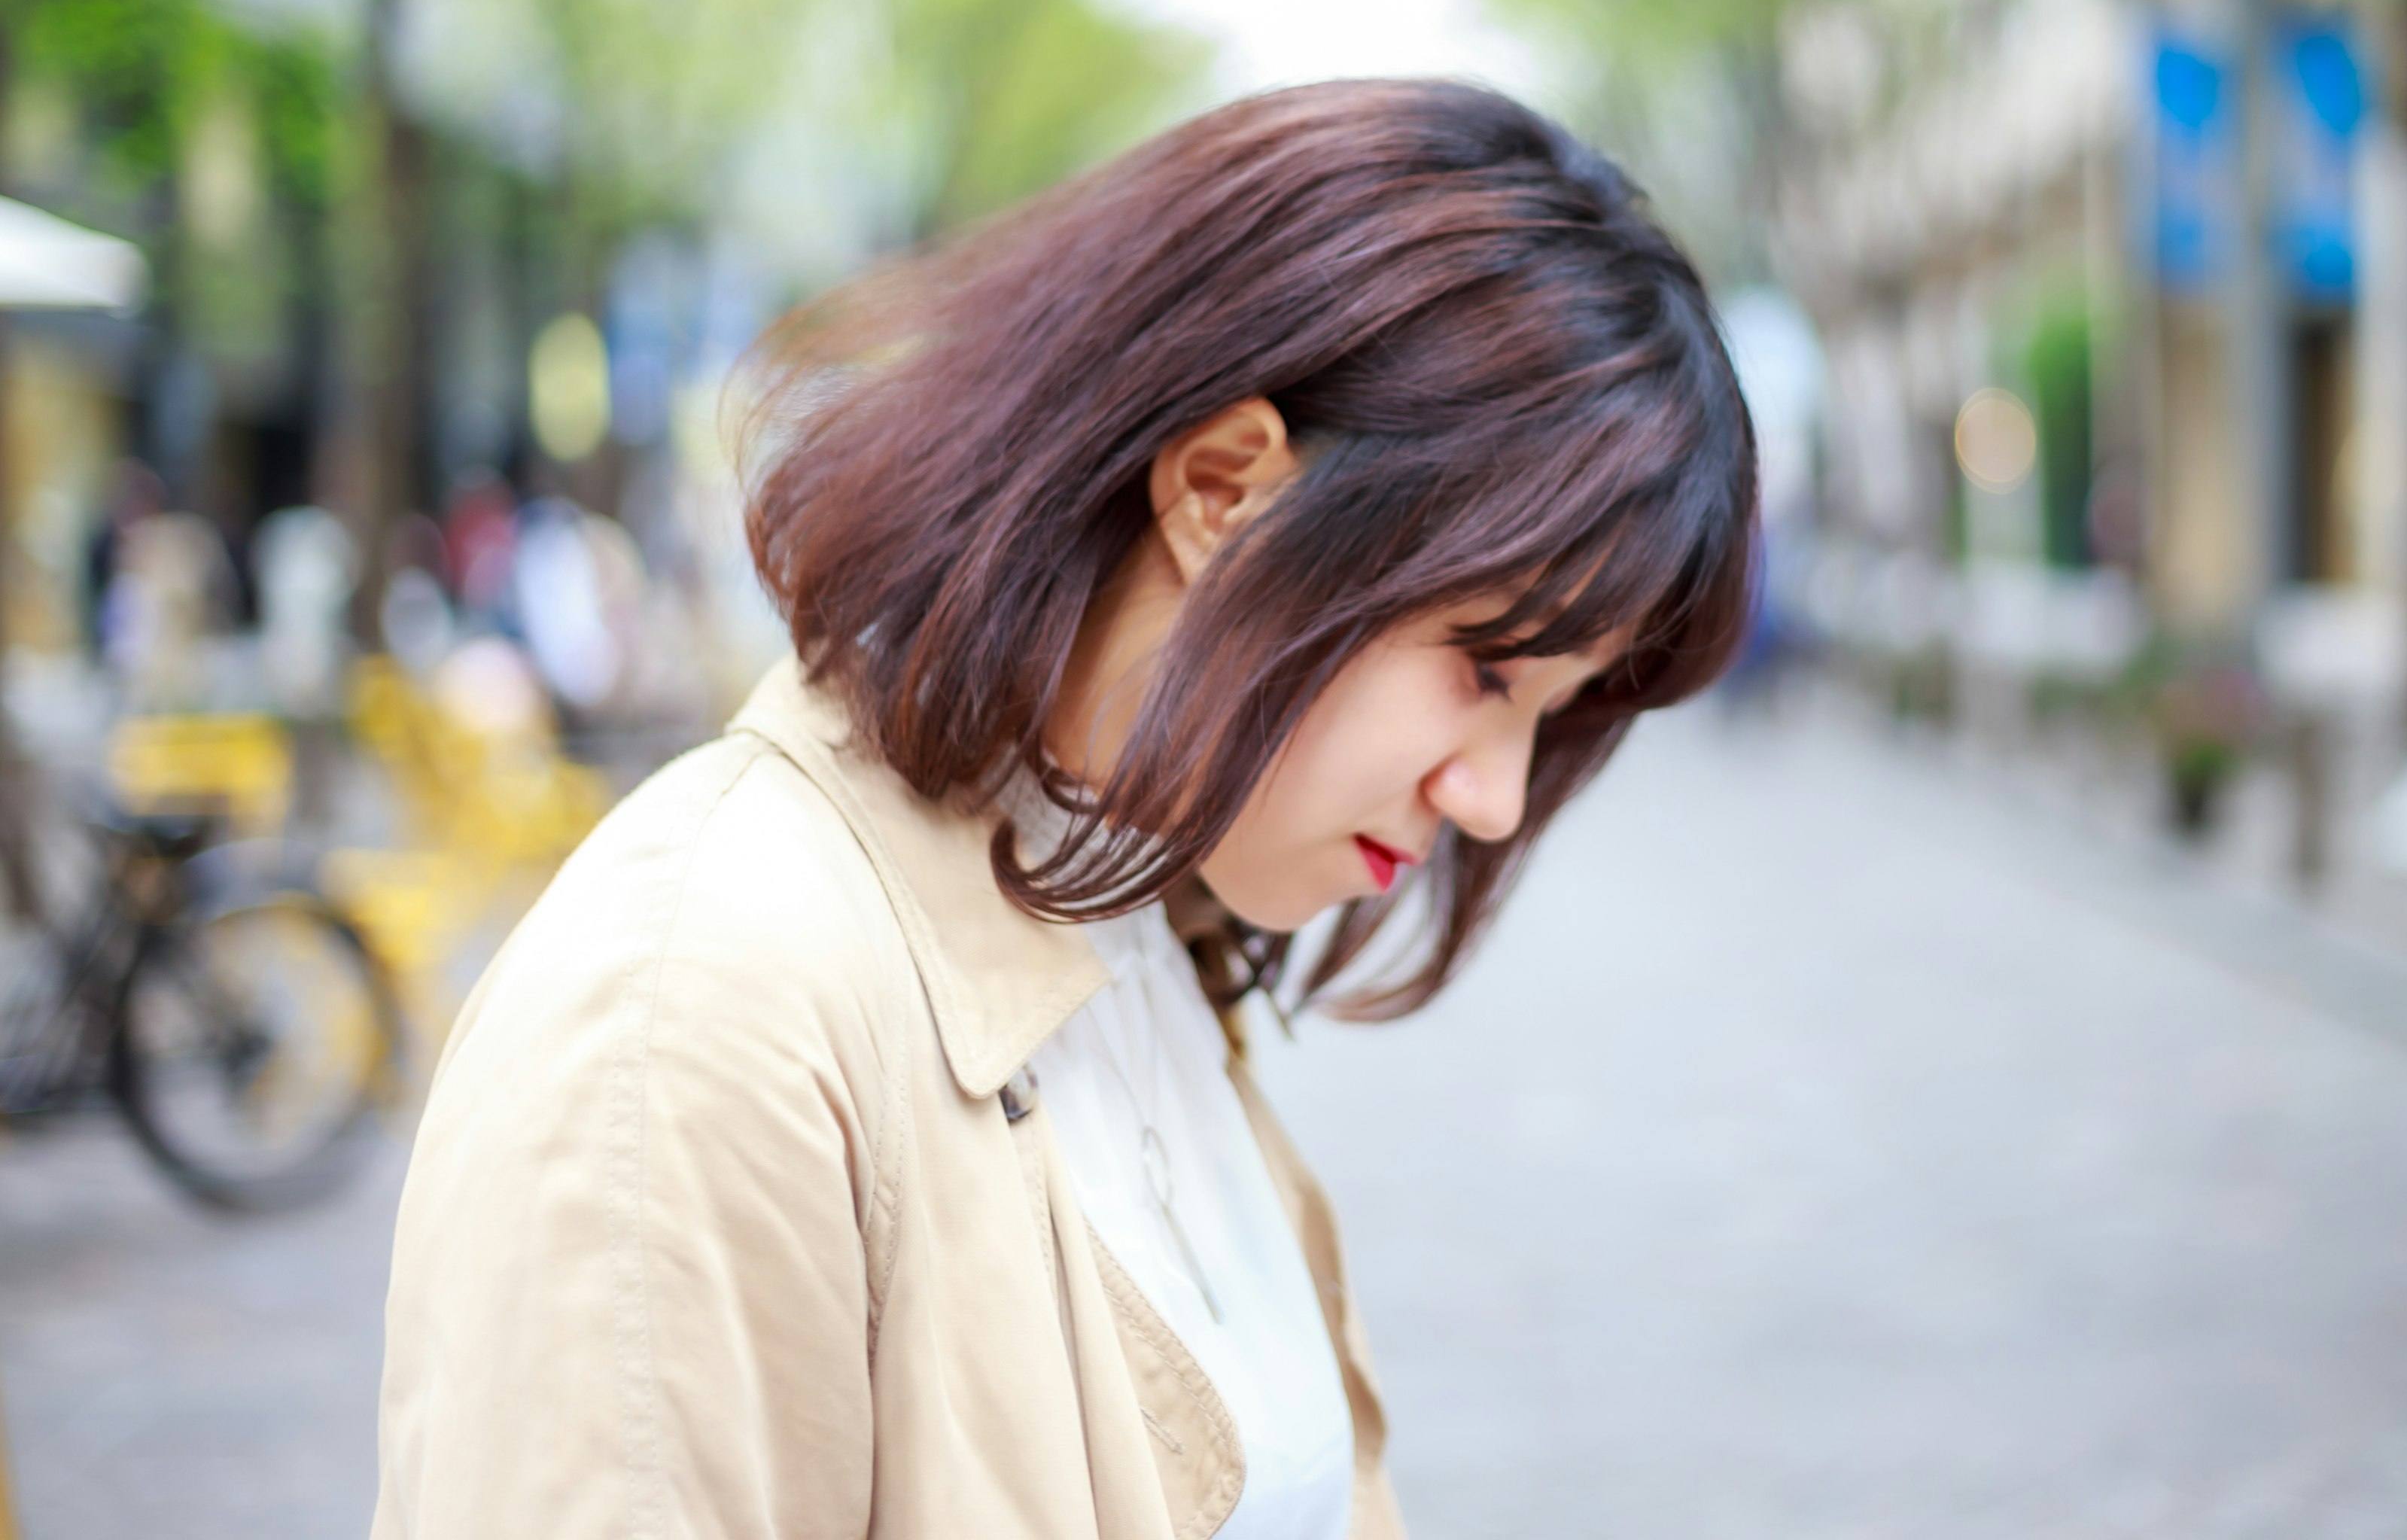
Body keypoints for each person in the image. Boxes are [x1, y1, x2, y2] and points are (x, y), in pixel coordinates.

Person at [371, 80, 1758, 1539]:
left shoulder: (1144, 930)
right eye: (1483, 666)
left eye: (1553, 711)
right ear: (1224, 487)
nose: (1494, 799)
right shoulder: (702, 1009)